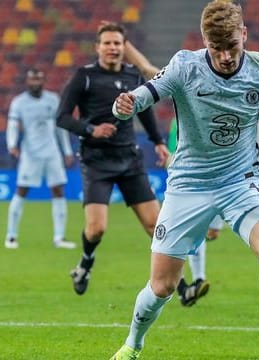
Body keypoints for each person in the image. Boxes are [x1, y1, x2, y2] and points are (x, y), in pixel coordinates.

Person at [109, 1, 259, 359]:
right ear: (205, 41)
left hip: (241, 181)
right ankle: (132, 346)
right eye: (215, 48)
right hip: (188, 185)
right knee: (162, 286)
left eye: (231, 47)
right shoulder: (185, 66)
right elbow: (147, 94)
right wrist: (124, 103)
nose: (224, 57)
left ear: (244, 35)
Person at [123, 37, 259, 308]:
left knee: (212, 234)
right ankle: (196, 279)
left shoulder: (244, 80)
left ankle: (197, 278)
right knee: (190, 244)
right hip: (188, 170)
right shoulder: (182, 72)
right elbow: (148, 71)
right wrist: (126, 45)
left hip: (232, 174)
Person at [56, 22, 170, 296]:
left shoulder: (133, 76)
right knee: (96, 229)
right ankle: (85, 264)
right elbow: (61, 117)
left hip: (129, 159)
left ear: (124, 47)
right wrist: (91, 130)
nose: (112, 48)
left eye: (117, 43)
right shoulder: (84, 76)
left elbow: (145, 112)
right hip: (96, 161)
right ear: (98, 48)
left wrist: (158, 142)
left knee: (156, 226)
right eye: (107, 43)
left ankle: (178, 282)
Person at [5, 68, 75, 250]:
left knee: (58, 190)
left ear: (43, 81)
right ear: (27, 81)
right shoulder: (19, 102)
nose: (35, 83)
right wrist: (12, 144)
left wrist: (66, 151)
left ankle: (59, 238)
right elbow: (13, 125)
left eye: (38, 79)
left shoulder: (52, 99)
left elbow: (60, 128)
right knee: (22, 190)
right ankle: (11, 236)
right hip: (31, 153)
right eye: (32, 79)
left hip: (52, 152)